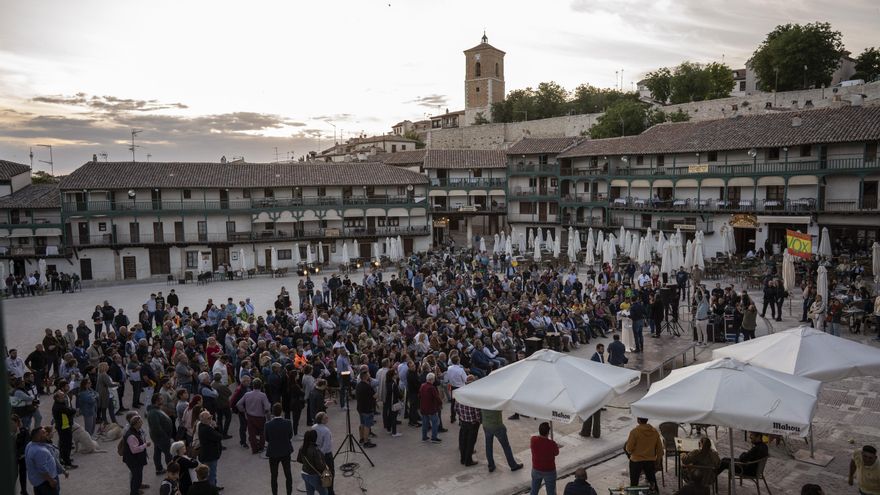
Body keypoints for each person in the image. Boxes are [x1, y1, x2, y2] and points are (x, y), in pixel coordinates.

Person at [25, 426, 68, 495]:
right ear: (38, 437)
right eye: (44, 433)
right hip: (45, 483)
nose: (47, 434)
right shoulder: (39, 451)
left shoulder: (30, 445)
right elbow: (42, 469)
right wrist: (51, 480)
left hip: (39, 483)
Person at [624, 418, 663, 491]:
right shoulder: (654, 432)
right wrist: (657, 461)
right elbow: (660, 449)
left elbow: (628, 449)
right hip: (650, 460)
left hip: (636, 461)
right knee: (652, 482)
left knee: (634, 483)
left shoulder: (634, 432)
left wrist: (631, 453)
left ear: (638, 420)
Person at [481, 408, 523, 473]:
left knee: (488, 446)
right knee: (506, 447)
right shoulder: (496, 403)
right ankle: (513, 465)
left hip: (486, 425)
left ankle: (491, 465)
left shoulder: (483, 403)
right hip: (497, 426)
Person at [265, 402, 294, 495]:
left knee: (274, 476)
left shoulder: (268, 424)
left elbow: (267, 438)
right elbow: (290, 436)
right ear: (281, 411)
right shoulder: (288, 422)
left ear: (272, 412)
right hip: (285, 451)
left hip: (273, 452)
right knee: (288, 474)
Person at [236, 378, 271, 454]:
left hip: (250, 417)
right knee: (262, 433)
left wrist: (244, 410)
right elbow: (267, 408)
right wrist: (268, 417)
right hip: (260, 417)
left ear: (253, 386)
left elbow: (238, 404)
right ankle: (261, 447)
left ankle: (254, 449)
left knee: (252, 434)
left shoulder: (247, 394)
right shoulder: (263, 395)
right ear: (261, 386)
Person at [146, 393, 175, 475]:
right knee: (168, 454)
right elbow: (156, 428)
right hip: (161, 437)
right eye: (161, 399)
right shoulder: (153, 413)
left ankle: (159, 469)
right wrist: (165, 437)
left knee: (157, 452)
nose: (163, 400)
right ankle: (171, 471)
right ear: (157, 401)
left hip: (159, 437)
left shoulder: (156, 410)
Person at [122, 415, 151, 495]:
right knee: (136, 476)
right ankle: (134, 492)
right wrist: (145, 445)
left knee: (138, 475)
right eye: (140, 422)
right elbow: (134, 450)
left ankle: (137, 488)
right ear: (136, 424)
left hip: (136, 459)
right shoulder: (131, 436)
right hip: (133, 460)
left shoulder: (136, 431)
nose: (142, 423)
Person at [455, 375, 481, 466]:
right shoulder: (473, 395)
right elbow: (477, 411)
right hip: (472, 422)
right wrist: (479, 420)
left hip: (463, 421)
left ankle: (462, 459)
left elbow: (456, 408)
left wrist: (462, 417)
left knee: (463, 440)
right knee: (471, 442)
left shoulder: (460, 392)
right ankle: (468, 461)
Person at [530, 422, 560, 495]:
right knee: (551, 492)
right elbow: (556, 453)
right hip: (549, 470)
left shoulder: (533, 440)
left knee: (534, 490)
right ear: (548, 432)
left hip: (536, 469)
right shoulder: (552, 444)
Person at [197, 409, 223, 489]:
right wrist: (216, 427)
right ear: (203, 420)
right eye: (209, 418)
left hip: (207, 454)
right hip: (210, 456)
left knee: (212, 474)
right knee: (211, 474)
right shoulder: (207, 429)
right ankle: (212, 490)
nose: (211, 419)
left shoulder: (202, 426)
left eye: (211, 417)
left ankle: (214, 487)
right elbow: (219, 437)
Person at [51, 390, 77, 469]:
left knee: (63, 445)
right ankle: (67, 463)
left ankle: (64, 459)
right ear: (57, 398)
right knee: (67, 445)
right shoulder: (60, 406)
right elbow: (70, 411)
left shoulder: (59, 404)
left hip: (63, 426)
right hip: (64, 427)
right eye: (62, 397)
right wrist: (73, 410)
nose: (64, 398)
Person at [297, 429, 328, 495]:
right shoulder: (315, 450)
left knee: (310, 492)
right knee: (324, 493)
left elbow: (299, 460)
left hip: (304, 473)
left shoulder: (302, 448)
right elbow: (320, 466)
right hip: (314, 476)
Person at [312, 412, 335, 495]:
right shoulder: (326, 431)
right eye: (325, 418)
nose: (327, 418)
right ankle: (330, 492)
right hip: (326, 455)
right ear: (321, 420)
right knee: (329, 473)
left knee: (320, 473)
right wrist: (321, 455)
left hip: (316, 453)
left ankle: (323, 490)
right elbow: (326, 445)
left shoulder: (313, 427)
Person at [354, 369, 377, 448]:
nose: (369, 376)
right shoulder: (367, 386)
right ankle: (366, 442)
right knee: (367, 425)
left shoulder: (358, 385)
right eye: (368, 374)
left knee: (362, 423)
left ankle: (361, 439)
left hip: (360, 408)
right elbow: (374, 396)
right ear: (365, 376)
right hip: (367, 408)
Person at [419, 372, 442, 443]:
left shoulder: (422, 386)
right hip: (431, 408)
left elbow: (419, 396)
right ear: (432, 379)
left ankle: (424, 437)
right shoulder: (432, 388)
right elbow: (437, 397)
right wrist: (440, 403)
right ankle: (434, 438)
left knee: (425, 423)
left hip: (423, 408)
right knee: (435, 423)